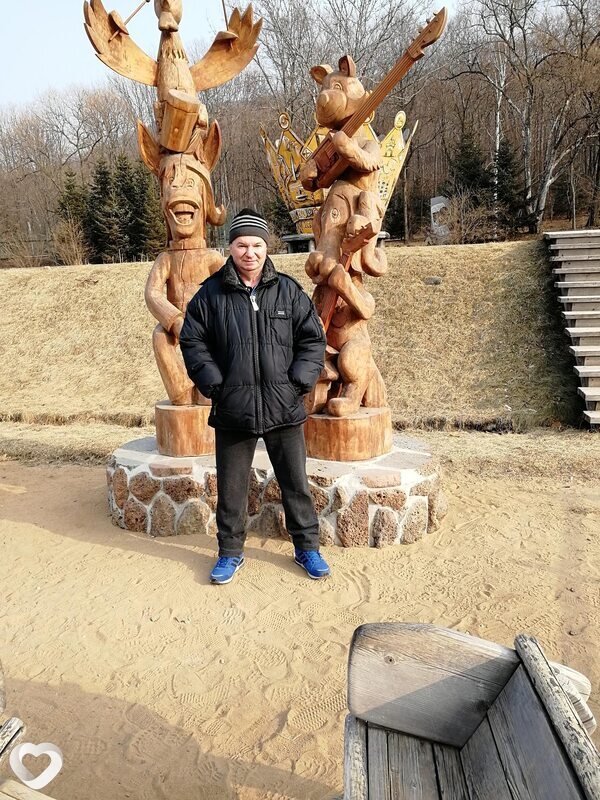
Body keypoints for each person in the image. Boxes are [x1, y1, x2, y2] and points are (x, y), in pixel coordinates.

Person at [180, 208, 330, 584]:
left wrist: (297, 384)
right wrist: (216, 386)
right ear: (230, 247)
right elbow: (192, 341)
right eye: (242, 244)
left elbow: (313, 340)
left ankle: (307, 547)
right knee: (232, 489)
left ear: (266, 248)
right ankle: (230, 553)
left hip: (284, 406)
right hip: (234, 409)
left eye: (257, 245)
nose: (250, 252)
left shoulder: (288, 291)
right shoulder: (210, 294)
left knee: (295, 483)